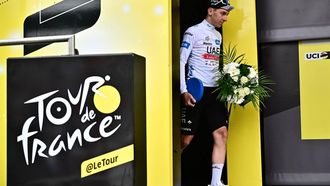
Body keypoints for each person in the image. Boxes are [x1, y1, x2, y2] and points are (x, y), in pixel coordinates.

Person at [180, 0, 234, 186]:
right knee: (186, 140)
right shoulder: (193, 31)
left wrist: (228, 87)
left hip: (215, 91)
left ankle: (215, 182)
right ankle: (165, 168)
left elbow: (215, 65)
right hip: (196, 90)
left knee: (221, 133)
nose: (225, 18)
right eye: (222, 13)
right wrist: (184, 90)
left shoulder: (217, 36)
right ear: (210, 11)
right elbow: (181, 61)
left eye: (227, 14)